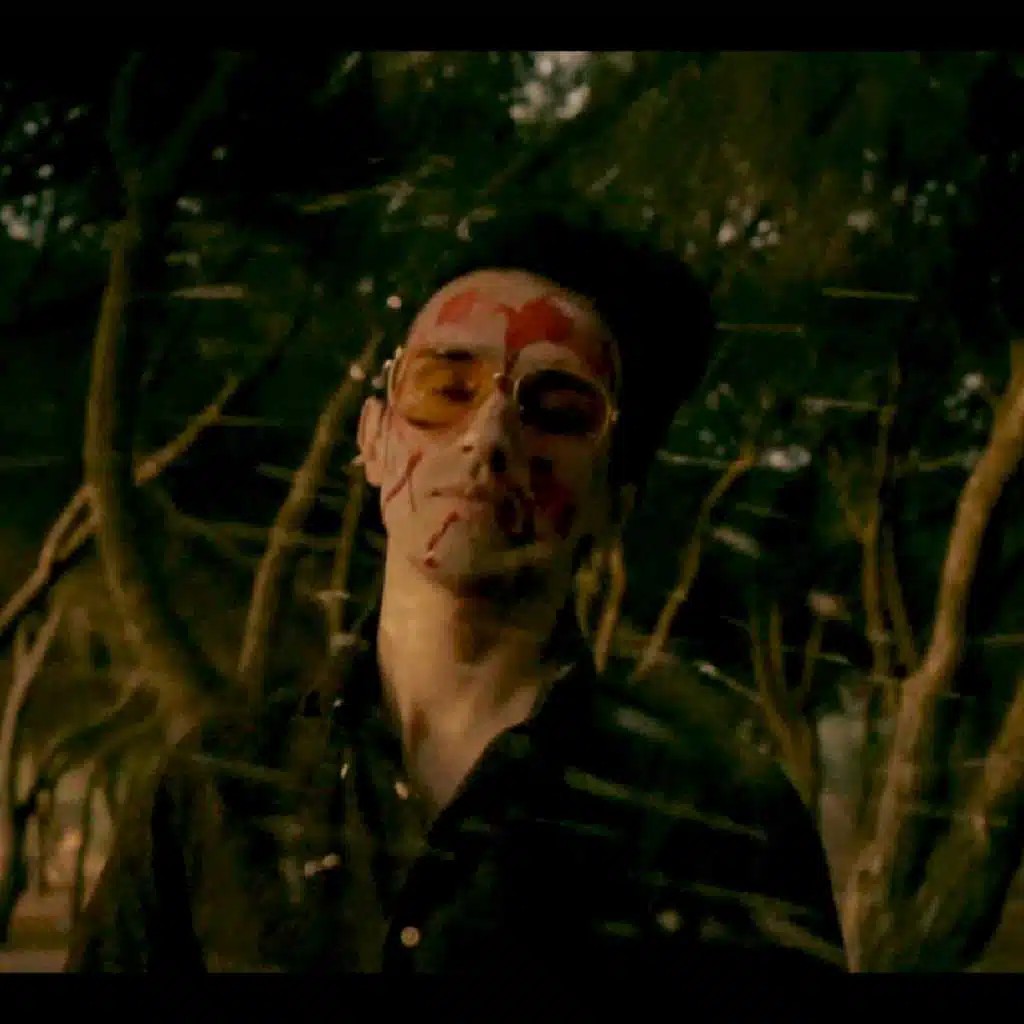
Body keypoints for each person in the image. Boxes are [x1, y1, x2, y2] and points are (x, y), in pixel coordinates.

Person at [66, 210, 846, 973]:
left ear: (614, 502)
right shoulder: (215, 794)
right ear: (373, 439)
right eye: (446, 387)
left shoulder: (723, 827)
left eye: (557, 410)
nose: (489, 435)